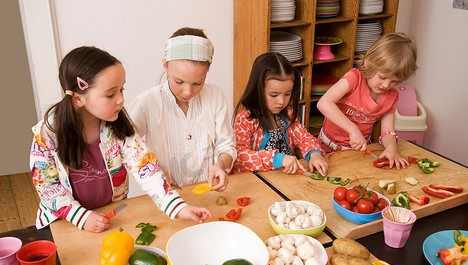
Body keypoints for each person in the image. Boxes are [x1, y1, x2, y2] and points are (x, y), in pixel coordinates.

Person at [30, 46, 212, 233]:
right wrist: (81, 217)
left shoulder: (118, 124)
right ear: (78, 99)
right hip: (64, 221)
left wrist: (177, 207)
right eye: (111, 94)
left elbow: (145, 167)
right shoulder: (48, 134)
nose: (121, 100)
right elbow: (46, 186)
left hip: (108, 216)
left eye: (121, 90)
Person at [128, 27, 236, 191]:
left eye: (197, 83)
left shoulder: (215, 96)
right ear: (165, 65)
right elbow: (127, 149)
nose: (187, 92)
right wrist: (153, 171)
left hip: (208, 191)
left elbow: (226, 144)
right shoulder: (146, 102)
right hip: (167, 197)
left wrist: (220, 165)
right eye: (179, 82)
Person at [317, 32, 418, 170]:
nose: (386, 85)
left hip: (359, 152)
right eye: (382, 77)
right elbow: (324, 103)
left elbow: (387, 131)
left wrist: (391, 147)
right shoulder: (354, 78)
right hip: (327, 148)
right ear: (368, 62)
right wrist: (353, 129)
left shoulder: (392, 96)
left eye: (394, 81)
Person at [231, 52, 328, 175]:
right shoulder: (245, 119)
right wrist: (276, 159)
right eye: (274, 95)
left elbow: (303, 137)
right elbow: (239, 156)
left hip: (285, 179)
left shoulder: (288, 113)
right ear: (258, 90)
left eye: (287, 94)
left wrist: (314, 153)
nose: (281, 101)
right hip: (258, 182)